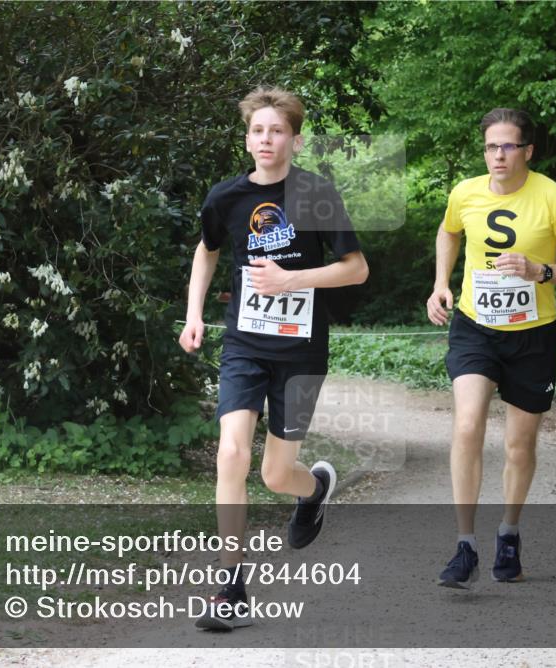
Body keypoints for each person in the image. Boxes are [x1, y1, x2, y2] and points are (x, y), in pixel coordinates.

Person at [179, 86, 369, 628]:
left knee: (276, 474)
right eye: (258, 130)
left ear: (295, 138)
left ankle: (315, 490)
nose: (267, 139)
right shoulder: (224, 197)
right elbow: (207, 250)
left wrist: (291, 278)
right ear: (247, 139)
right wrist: (195, 314)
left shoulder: (315, 193)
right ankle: (231, 584)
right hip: (244, 344)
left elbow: (356, 268)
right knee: (231, 455)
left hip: (302, 350)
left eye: (277, 130)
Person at [426, 108, 556, 588]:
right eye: (489, 147)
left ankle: (508, 533)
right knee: (466, 425)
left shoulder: (553, 197)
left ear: (527, 151)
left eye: (506, 146)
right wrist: (441, 283)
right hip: (475, 327)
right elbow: (449, 230)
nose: (497, 155)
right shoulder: (465, 192)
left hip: (532, 334)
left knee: (520, 445)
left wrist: (542, 271)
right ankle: (465, 546)